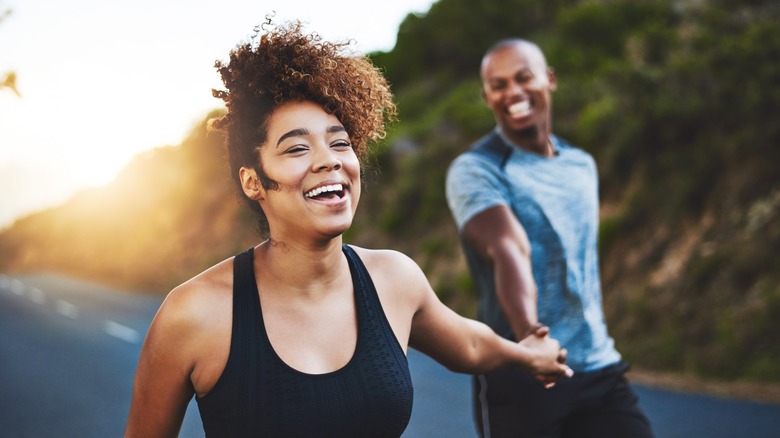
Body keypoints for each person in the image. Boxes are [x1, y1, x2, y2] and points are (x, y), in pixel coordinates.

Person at [124, 22, 572, 438]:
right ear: (253, 180)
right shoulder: (194, 313)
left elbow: (469, 345)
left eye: (340, 142)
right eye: (297, 147)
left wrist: (528, 355)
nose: (329, 159)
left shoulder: (394, 279)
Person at [445, 39, 654, 437]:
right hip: (523, 371)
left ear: (549, 79)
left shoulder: (581, 165)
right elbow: (508, 248)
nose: (513, 92)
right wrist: (531, 336)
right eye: (499, 84)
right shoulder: (475, 169)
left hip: (597, 366)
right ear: (487, 96)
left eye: (523, 77)